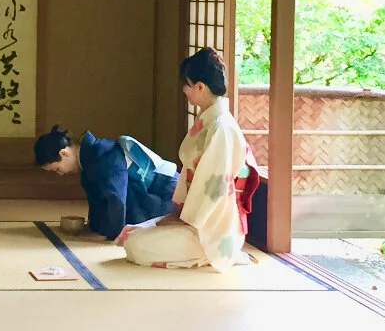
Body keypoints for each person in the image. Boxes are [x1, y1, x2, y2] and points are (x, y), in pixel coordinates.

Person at [116, 47, 260, 272]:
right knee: (134, 231)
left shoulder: (221, 127)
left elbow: (214, 188)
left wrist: (183, 219)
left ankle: (211, 254)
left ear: (200, 87)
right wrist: (177, 215)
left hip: (213, 227)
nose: (184, 90)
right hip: (197, 216)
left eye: (187, 85)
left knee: (136, 244)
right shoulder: (211, 121)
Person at [34, 125, 179, 240]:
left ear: (64, 153)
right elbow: (98, 201)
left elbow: (116, 198)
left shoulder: (104, 156)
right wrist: (94, 227)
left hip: (166, 191)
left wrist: (109, 235)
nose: (60, 174)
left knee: (135, 230)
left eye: (57, 169)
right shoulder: (90, 159)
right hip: (153, 191)